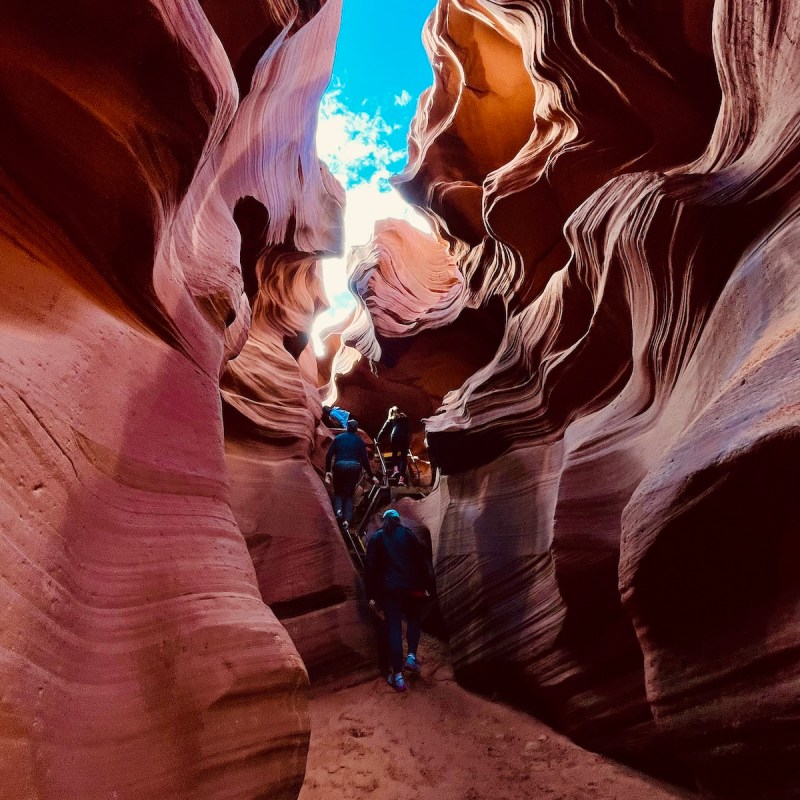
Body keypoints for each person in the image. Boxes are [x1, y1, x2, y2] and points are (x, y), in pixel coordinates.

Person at [365, 509, 436, 692]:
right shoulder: (408, 535)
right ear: (398, 520)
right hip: (412, 588)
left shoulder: (377, 538)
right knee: (413, 620)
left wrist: (370, 594)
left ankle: (397, 677)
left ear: (385, 520)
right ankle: (411, 657)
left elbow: (370, 568)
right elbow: (420, 562)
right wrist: (426, 585)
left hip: (390, 591)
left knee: (394, 629)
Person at [325, 418, 378, 533]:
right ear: (356, 429)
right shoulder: (359, 441)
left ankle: (338, 511)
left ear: (347, 428)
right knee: (348, 495)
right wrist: (372, 476)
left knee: (338, 493)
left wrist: (328, 470)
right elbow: (364, 460)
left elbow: (329, 455)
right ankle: (346, 521)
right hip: (354, 467)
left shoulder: (338, 438)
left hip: (339, 466)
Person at [376, 406, 411, 486]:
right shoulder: (405, 418)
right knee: (403, 458)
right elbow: (408, 429)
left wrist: (378, 440)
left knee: (394, 453)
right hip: (405, 437)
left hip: (395, 436)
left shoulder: (391, 418)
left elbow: (383, 430)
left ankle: (396, 470)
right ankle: (401, 479)